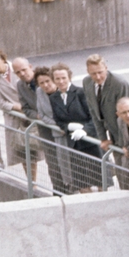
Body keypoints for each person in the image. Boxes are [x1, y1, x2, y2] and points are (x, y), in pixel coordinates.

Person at [49, 62, 103, 191]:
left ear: (69, 77)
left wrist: (84, 130)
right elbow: (57, 120)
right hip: (74, 144)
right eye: (57, 78)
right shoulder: (54, 98)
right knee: (82, 182)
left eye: (64, 78)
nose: (61, 81)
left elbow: (95, 117)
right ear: (53, 80)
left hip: (91, 143)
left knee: (100, 180)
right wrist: (68, 127)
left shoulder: (81, 92)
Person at [82, 54, 129, 156]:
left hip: (127, 134)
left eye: (100, 72)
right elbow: (94, 111)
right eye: (93, 74)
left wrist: (125, 143)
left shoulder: (119, 84)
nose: (98, 77)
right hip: (112, 131)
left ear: (106, 68)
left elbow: (127, 115)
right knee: (119, 168)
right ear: (88, 72)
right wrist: (103, 138)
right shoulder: (87, 82)